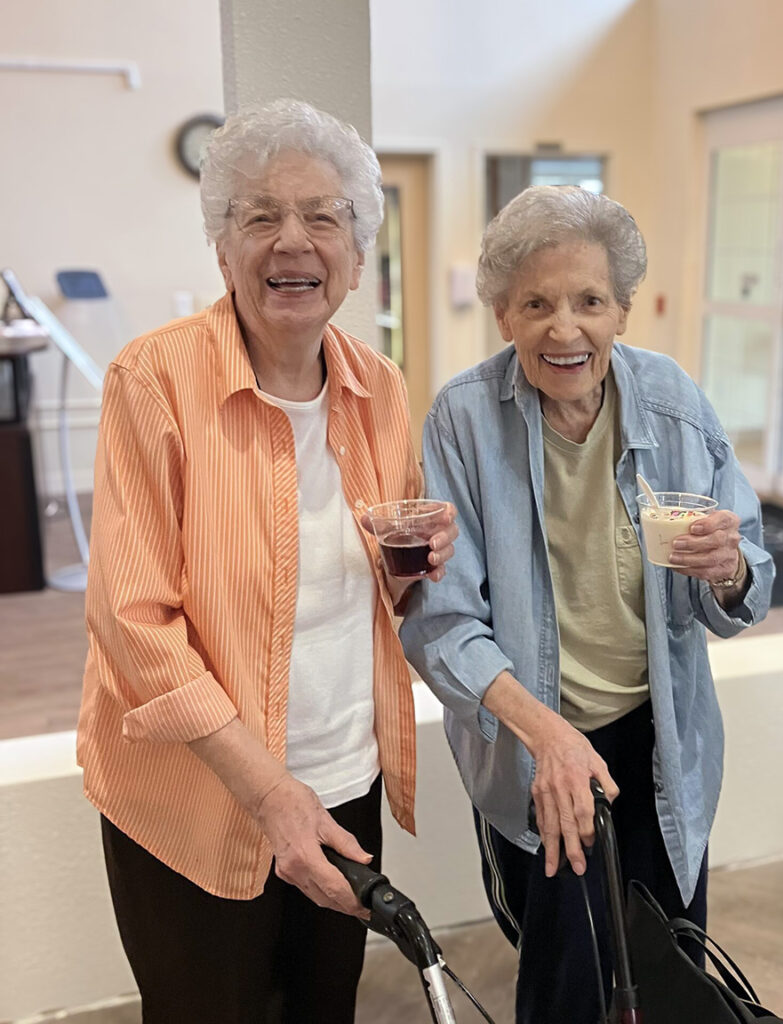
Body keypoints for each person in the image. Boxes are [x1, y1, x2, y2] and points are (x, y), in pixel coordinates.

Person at [77, 99, 457, 1024]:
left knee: (325, 1008)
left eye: (323, 216)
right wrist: (269, 793)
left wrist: (413, 569)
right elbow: (133, 621)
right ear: (223, 248)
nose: (293, 241)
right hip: (202, 796)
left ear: (356, 254)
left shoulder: (380, 388)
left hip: (344, 779)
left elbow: (376, 592)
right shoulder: (153, 380)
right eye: (260, 217)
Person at [399, 185, 774, 1023]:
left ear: (623, 311)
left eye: (589, 302)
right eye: (536, 304)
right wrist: (551, 739)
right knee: (568, 986)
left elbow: (748, 576)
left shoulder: (673, 402)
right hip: (537, 741)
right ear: (502, 314)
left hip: (661, 739)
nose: (564, 329)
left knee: (670, 977)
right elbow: (440, 622)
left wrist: (727, 571)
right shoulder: (464, 420)